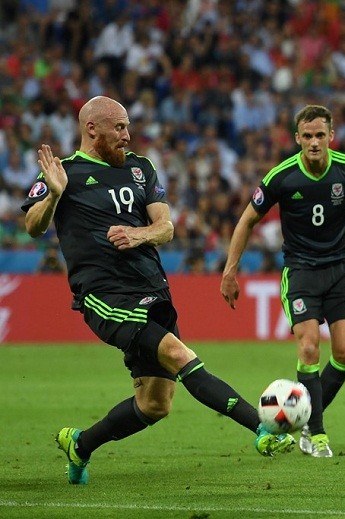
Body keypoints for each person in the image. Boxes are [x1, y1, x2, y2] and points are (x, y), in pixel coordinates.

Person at [22, 96, 295, 485]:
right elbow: (33, 227)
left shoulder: (140, 168)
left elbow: (165, 227)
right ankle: (261, 429)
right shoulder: (64, 172)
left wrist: (139, 234)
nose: (127, 135)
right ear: (92, 129)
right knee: (178, 353)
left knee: (155, 404)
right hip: (105, 295)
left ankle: (80, 445)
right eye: (118, 127)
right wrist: (53, 194)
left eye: (127, 126)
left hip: (152, 287)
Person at [220, 104, 345, 458]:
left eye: (321, 135)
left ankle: (304, 418)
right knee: (308, 348)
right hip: (301, 272)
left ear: (331, 136)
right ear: (297, 139)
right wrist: (230, 271)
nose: (315, 142)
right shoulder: (281, 177)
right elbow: (246, 222)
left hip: (338, 270)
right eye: (308, 136)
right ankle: (316, 433)